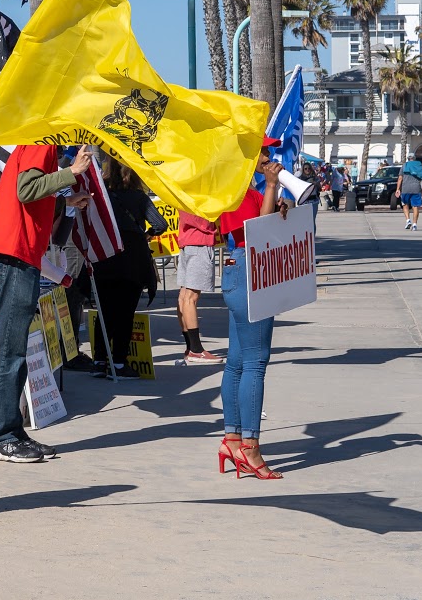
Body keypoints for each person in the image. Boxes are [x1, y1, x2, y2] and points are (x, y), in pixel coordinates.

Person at [0, 142, 91, 463]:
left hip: (17, 252)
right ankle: (0, 436)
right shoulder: (40, 142)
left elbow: (29, 197)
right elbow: (26, 190)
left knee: (13, 347)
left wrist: (66, 200)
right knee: (10, 348)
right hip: (15, 252)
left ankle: (9, 431)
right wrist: (72, 172)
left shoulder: (39, 143)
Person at [216, 138, 286, 480]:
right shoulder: (238, 191)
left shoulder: (244, 190)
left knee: (238, 361)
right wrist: (272, 186)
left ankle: (232, 439)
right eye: (262, 152)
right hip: (248, 272)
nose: (268, 158)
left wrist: (275, 199)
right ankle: (250, 447)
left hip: (237, 271)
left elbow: (266, 218)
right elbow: (256, 231)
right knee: (256, 363)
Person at [93, 158, 164, 375]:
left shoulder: (101, 197)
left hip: (105, 255)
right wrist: (145, 235)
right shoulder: (139, 197)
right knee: (126, 312)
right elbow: (161, 224)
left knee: (104, 311)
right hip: (133, 258)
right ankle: (119, 362)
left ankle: (99, 362)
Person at [175, 205, 221, 364]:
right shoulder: (198, 193)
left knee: (183, 297)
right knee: (190, 298)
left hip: (186, 241)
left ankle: (190, 347)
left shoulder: (183, 190)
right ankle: (196, 349)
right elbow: (205, 222)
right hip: (199, 242)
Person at [398, 159, 422, 230]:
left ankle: (408, 220)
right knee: (415, 206)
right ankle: (414, 224)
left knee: (405, 204)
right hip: (416, 188)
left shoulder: (404, 165)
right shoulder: (419, 166)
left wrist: (398, 189)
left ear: (408, 158)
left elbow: (400, 178)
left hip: (405, 188)